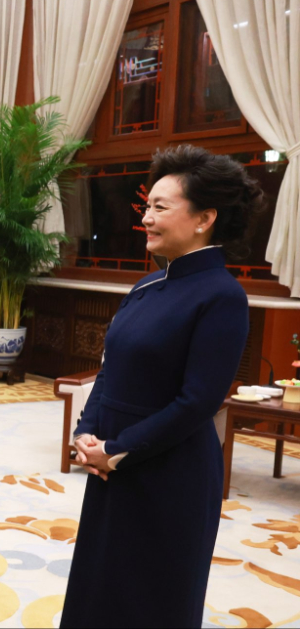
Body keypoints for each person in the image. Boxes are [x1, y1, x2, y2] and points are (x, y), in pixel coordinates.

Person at [61, 145, 265, 628]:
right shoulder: (147, 286)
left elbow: (199, 401)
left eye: (160, 207)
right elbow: (109, 368)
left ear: (204, 218)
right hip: (113, 466)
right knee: (100, 589)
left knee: (152, 599)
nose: (147, 219)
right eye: (146, 207)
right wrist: (85, 434)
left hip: (171, 474)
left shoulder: (223, 296)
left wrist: (117, 449)